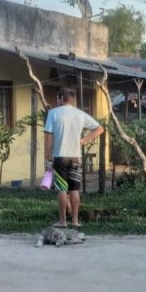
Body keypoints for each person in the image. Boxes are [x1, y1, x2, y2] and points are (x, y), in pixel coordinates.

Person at [44, 87, 104, 228]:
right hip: (76, 157)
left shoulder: (53, 113)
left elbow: (48, 138)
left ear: (60, 98)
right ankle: (76, 221)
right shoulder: (80, 114)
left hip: (60, 157)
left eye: (57, 98)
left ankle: (63, 221)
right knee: (75, 189)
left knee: (62, 189)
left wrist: (47, 159)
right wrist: (84, 140)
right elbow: (99, 129)